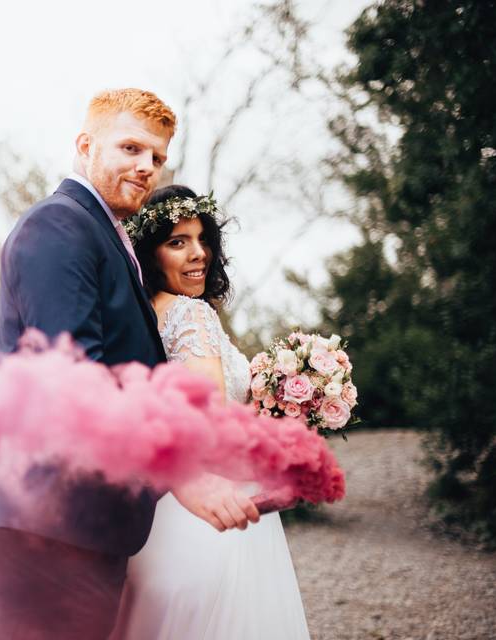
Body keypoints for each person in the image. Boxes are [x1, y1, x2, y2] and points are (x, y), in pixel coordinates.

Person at [0, 88, 178, 639]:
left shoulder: (100, 231)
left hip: (66, 518)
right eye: (131, 148)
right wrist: (184, 473)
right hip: (40, 519)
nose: (147, 167)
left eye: (158, 158)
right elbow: (71, 379)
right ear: (85, 145)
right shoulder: (60, 225)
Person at [110, 184, 311, 640]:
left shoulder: (142, 317)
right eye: (177, 242)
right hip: (212, 516)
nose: (197, 254)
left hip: (156, 516)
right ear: (149, 253)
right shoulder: (190, 315)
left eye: (203, 240)